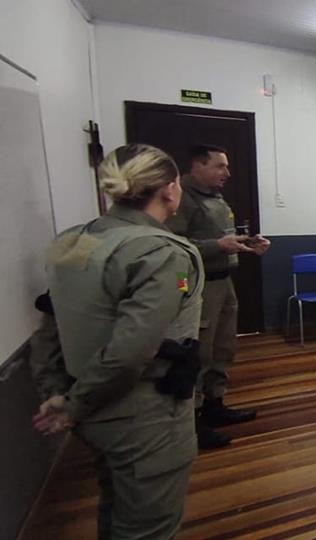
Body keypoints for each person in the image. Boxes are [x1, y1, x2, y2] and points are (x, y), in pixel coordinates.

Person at [34, 144, 204, 539]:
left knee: (115, 507)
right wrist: (73, 406)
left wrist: (58, 393)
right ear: (170, 189)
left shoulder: (74, 241)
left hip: (90, 408)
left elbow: (50, 329)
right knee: (148, 527)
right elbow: (132, 351)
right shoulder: (161, 252)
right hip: (144, 417)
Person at [166, 144, 268, 449]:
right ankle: (193, 422)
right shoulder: (181, 198)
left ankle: (215, 404)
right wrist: (217, 246)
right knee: (200, 351)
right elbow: (173, 245)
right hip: (199, 285)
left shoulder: (214, 197)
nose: (227, 172)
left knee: (224, 346)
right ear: (197, 166)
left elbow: (219, 237)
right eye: (219, 166)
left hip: (224, 282)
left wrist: (247, 244)